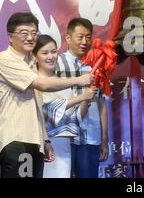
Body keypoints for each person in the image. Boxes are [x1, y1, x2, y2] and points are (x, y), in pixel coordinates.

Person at [0, 12, 92, 178]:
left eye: (34, 33)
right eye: (24, 33)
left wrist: (44, 140)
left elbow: (35, 104)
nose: (30, 38)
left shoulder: (31, 62)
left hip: (33, 141)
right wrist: (78, 80)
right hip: (16, 140)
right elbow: (42, 84)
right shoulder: (5, 59)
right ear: (10, 37)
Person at [33, 35, 97, 178]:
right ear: (35, 56)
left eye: (54, 51)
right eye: (45, 53)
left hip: (64, 147)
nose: (50, 56)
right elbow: (45, 112)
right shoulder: (33, 82)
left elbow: (75, 118)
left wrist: (86, 99)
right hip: (43, 144)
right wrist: (80, 97)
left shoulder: (64, 82)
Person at [55, 18, 109, 178]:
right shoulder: (57, 63)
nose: (85, 41)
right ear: (68, 38)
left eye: (88, 37)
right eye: (80, 37)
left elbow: (101, 103)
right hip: (64, 138)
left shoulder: (97, 65)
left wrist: (105, 138)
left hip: (91, 137)